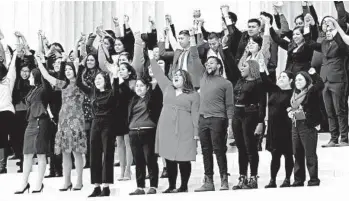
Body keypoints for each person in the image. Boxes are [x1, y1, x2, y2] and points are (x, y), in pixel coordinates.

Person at [150, 50, 200, 194]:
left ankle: (183, 186)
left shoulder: (193, 95)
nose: (176, 77)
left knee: (184, 158)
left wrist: (196, 133)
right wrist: (152, 59)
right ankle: (171, 185)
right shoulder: (167, 87)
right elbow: (159, 74)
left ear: (186, 79)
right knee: (169, 157)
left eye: (179, 76)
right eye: (175, 75)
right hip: (166, 127)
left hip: (185, 129)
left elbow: (195, 114)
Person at [35, 56, 87, 191]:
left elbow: (80, 64)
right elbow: (46, 76)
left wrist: (78, 47)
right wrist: (39, 61)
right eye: (67, 69)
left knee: (76, 152)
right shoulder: (63, 84)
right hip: (63, 120)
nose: (69, 71)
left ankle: (79, 181)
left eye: (71, 69)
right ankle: (67, 181)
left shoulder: (81, 84)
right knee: (65, 153)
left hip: (76, 120)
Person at [194, 56, 233, 192]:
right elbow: (194, 56)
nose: (208, 65)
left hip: (218, 119)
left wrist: (230, 124)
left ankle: (224, 179)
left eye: (211, 63)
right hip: (203, 118)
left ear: (219, 65)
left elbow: (229, 105)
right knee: (205, 151)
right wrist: (193, 36)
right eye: (207, 63)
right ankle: (208, 180)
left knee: (219, 149)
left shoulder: (226, 83)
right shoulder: (203, 77)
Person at [14, 57, 53, 194]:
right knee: (27, 154)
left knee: (41, 154)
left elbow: (47, 77)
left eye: (31, 75)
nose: (28, 77)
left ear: (36, 76)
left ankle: (38, 184)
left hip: (41, 122)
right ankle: (24, 183)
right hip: (30, 123)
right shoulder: (32, 89)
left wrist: (40, 61)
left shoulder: (44, 88)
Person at [232, 60, 266, 190]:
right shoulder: (240, 81)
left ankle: (253, 177)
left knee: (250, 147)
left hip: (250, 114)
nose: (242, 68)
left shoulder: (258, 83)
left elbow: (262, 103)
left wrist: (260, 122)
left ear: (252, 68)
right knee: (241, 147)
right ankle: (242, 176)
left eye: (245, 66)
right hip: (237, 114)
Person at [287, 68, 324, 187]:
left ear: (306, 80)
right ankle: (298, 180)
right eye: (296, 80)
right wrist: (290, 112)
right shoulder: (294, 93)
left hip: (307, 125)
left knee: (310, 154)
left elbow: (320, 84)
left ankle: (313, 179)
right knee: (297, 153)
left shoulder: (311, 90)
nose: (297, 82)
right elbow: (292, 107)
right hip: (295, 125)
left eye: (300, 79)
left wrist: (314, 74)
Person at [260, 68, 295, 188]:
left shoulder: (293, 93)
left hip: (286, 128)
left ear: (291, 80)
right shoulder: (274, 90)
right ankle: (272, 180)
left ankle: (287, 179)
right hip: (273, 128)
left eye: (284, 77)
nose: (280, 78)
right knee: (275, 155)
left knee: (288, 154)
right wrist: (261, 68)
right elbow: (265, 81)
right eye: (280, 77)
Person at [0, 49, 17, 174]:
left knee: (3, 137)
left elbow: (12, 66)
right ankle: (2, 164)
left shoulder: (8, 80)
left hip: (6, 111)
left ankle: (2, 165)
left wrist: (12, 53)